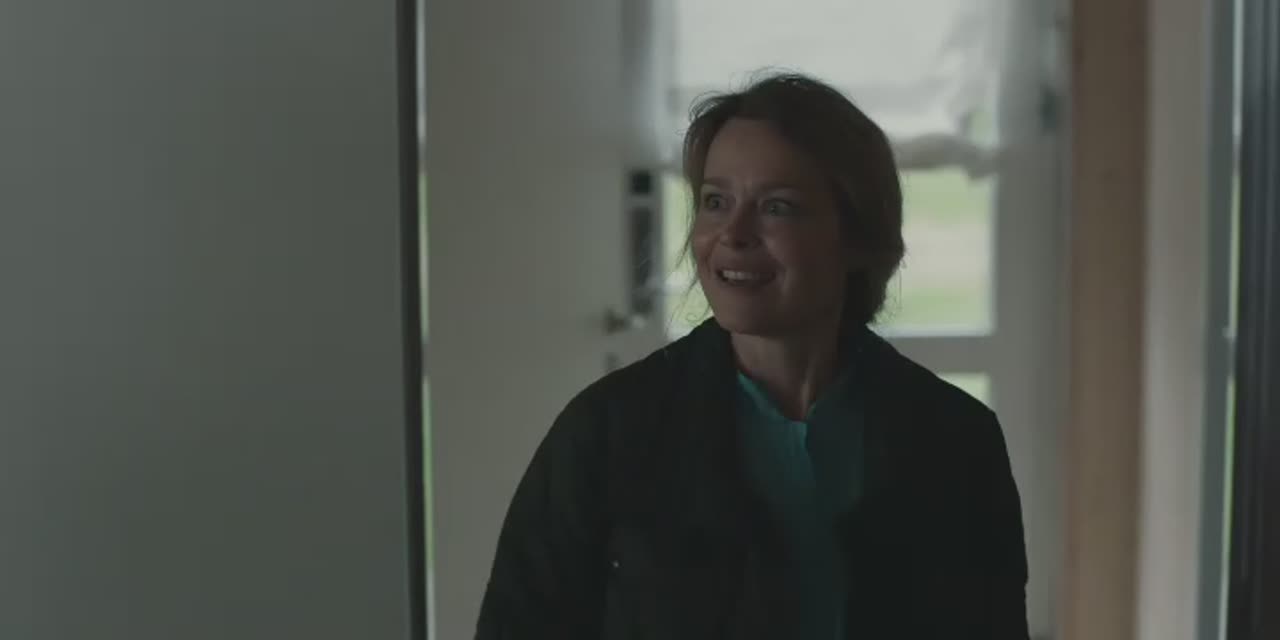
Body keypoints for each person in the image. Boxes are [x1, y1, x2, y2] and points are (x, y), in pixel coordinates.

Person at [475, 72, 1030, 640]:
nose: (733, 234)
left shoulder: (956, 439)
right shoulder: (607, 432)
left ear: (857, 236)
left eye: (777, 207)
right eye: (715, 202)